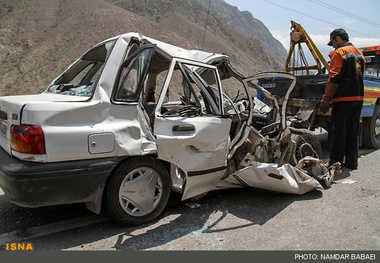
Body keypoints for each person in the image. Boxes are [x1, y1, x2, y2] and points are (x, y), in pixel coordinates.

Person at [320, 28, 365, 170]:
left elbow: (334, 78)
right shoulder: (359, 53)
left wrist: (326, 99)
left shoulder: (339, 53)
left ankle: (335, 163)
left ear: (338, 38)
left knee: (338, 131)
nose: (333, 45)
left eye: (333, 42)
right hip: (358, 97)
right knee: (352, 131)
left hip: (343, 98)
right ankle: (352, 162)